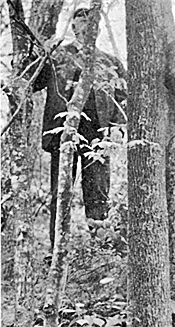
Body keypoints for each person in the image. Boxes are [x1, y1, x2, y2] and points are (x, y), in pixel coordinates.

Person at [33, 7, 127, 247]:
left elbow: (123, 97)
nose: (81, 29)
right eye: (77, 25)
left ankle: (100, 247)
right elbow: (33, 81)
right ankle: (56, 249)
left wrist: (116, 127)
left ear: (96, 27)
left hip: (98, 136)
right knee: (60, 192)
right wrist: (39, 54)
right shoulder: (57, 58)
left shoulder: (109, 61)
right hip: (64, 134)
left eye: (87, 24)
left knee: (98, 192)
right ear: (72, 28)